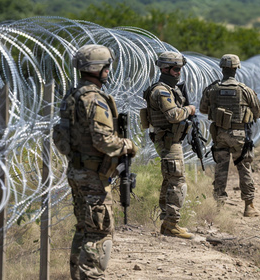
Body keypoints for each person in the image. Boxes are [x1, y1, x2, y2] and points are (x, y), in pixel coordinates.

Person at [59, 44, 138, 279]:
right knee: (100, 233)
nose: (109, 71)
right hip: (93, 176)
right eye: (107, 67)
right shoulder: (94, 99)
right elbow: (103, 140)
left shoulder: (73, 96)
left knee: (84, 229)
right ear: (98, 69)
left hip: (77, 171)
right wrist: (128, 145)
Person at [199, 54, 260, 217]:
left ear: (222, 68)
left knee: (221, 169)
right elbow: (258, 113)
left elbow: (203, 109)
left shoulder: (212, 89)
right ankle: (249, 206)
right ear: (236, 69)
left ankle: (218, 207)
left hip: (220, 134)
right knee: (244, 168)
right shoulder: (244, 90)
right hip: (239, 135)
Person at [142, 51, 195, 239]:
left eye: (180, 69)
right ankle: (172, 224)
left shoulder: (167, 88)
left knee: (169, 179)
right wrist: (189, 109)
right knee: (177, 181)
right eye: (176, 69)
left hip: (169, 140)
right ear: (165, 68)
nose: (179, 72)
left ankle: (166, 221)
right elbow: (173, 115)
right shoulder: (161, 91)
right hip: (168, 141)